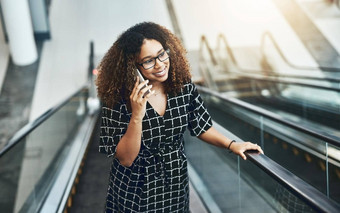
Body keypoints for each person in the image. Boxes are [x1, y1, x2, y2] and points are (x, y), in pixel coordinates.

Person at [96, 22, 264, 213]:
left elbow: (201, 125)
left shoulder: (181, 86)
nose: (160, 64)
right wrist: (137, 115)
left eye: (161, 54)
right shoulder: (119, 99)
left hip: (175, 183)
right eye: (149, 61)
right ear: (132, 67)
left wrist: (232, 144)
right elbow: (126, 159)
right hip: (136, 190)